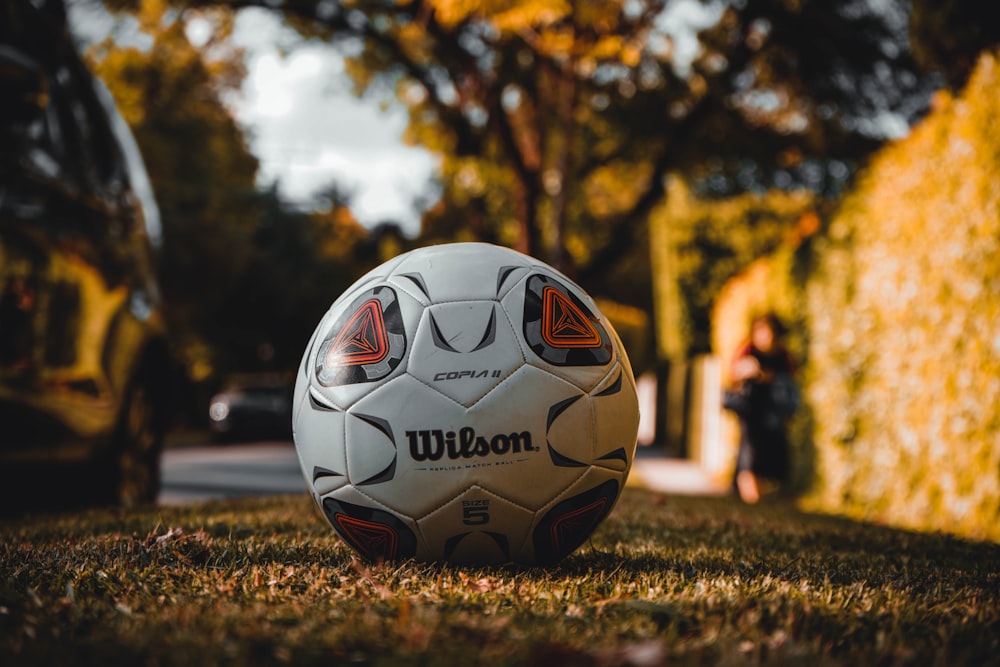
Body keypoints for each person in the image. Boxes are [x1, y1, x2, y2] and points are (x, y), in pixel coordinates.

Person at [725, 313, 798, 503]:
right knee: (750, 451)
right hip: (750, 411)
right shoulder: (748, 350)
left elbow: (790, 382)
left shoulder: (783, 356)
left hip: (772, 411)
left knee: (770, 453)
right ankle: (751, 496)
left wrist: (769, 377)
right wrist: (749, 369)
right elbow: (733, 372)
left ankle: (757, 494)